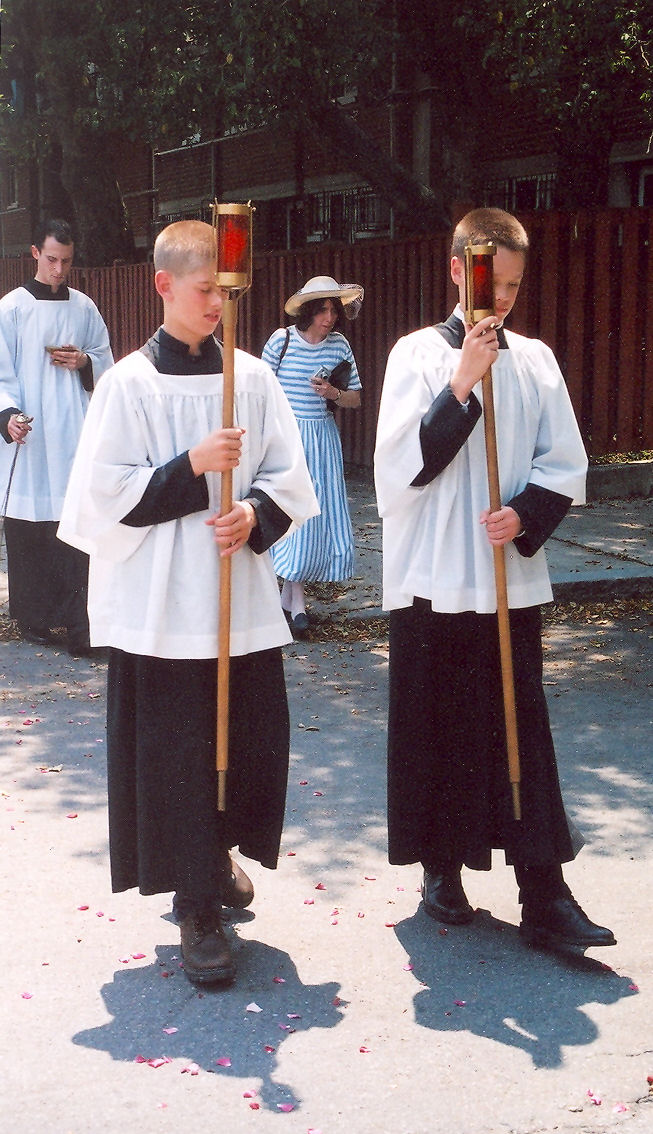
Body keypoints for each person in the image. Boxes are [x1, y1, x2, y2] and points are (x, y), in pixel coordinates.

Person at [58, 220, 319, 985]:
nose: (217, 305)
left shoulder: (253, 377)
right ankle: (195, 903)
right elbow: (97, 502)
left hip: (236, 602)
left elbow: (289, 477)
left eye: (228, 292)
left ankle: (219, 852)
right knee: (176, 753)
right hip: (161, 608)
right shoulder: (128, 385)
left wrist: (255, 514)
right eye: (205, 290)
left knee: (247, 738)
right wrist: (191, 465)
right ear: (164, 286)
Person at [374, 207, 616, 952]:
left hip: (505, 572)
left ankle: (541, 889)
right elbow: (397, 469)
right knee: (434, 724)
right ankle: (440, 868)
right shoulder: (415, 356)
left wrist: (524, 511)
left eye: (512, 283)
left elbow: (563, 462)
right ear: (456, 271)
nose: (501, 298)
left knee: (519, 729)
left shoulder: (537, 360)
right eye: (488, 281)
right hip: (432, 575)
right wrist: (462, 384)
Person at [0, 218, 114, 654]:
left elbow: (106, 360)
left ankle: (77, 618)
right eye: (51, 260)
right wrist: (8, 415)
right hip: (30, 431)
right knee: (31, 524)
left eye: (66, 261)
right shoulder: (11, 308)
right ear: (34, 253)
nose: (58, 269)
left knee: (74, 523)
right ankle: (34, 617)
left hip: (72, 428)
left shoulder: (83, 307)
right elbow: (1, 369)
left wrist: (84, 361)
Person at [262, 276, 363, 636]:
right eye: (323, 309)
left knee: (315, 517)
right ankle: (294, 603)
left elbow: (356, 397)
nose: (330, 316)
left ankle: (291, 600)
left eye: (334, 309)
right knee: (290, 513)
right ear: (308, 312)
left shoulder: (339, 346)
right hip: (288, 437)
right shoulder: (282, 340)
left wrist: (334, 392)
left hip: (322, 438)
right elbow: (261, 391)